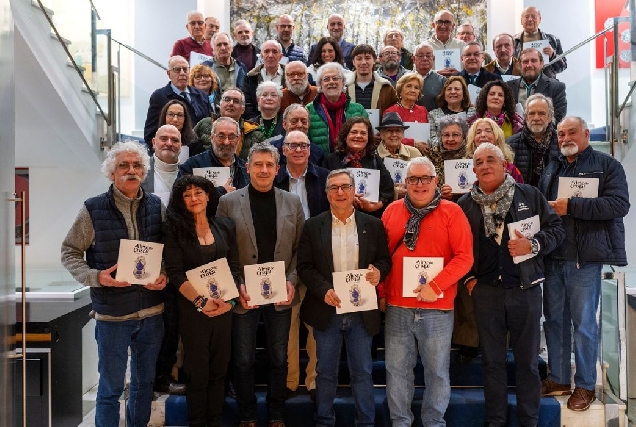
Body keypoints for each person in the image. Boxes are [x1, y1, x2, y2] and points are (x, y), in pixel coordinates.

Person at [458, 142, 564, 426]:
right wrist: (469, 278)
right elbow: (456, 247)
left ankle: (529, 420)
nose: (485, 166)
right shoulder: (464, 205)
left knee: (527, 362)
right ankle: (496, 420)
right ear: (473, 170)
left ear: (504, 165)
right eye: (479, 162)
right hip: (486, 293)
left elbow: (556, 229)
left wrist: (534, 244)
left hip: (525, 290)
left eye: (490, 160)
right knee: (492, 362)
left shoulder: (529, 194)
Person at [61, 141, 166, 427]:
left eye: (137, 165)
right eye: (124, 165)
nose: (131, 170)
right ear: (112, 172)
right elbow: (70, 252)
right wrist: (96, 277)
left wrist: (164, 275)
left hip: (152, 313)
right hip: (112, 317)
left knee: (144, 385)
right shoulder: (93, 209)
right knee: (110, 387)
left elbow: (167, 251)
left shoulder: (156, 205)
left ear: (144, 171)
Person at [538, 117, 630, 411]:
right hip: (553, 256)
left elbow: (619, 205)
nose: (565, 138)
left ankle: (586, 385)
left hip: (585, 259)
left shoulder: (607, 165)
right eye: (561, 134)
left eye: (572, 132)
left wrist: (572, 206)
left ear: (587, 134)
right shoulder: (552, 167)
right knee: (554, 321)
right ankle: (558, 378)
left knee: (584, 324)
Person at [379, 156, 473, 426]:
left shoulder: (452, 212)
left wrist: (436, 285)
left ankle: (434, 422)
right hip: (398, 306)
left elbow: (465, 257)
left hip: (437, 308)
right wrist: (382, 293)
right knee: (396, 370)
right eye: (413, 179)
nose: (419, 184)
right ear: (405, 182)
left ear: (435, 181)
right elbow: (381, 256)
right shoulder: (391, 211)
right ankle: (400, 422)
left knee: (437, 372)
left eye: (425, 179)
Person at [216, 142, 305, 427]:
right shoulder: (228, 202)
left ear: (278, 169)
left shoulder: (293, 202)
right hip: (244, 292)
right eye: (258, 164)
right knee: (243, 359)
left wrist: (292, 281)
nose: (264, 170)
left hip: (282, 292)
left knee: (279, 358)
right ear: (248, 167)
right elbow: (222, 250)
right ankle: (248, 415)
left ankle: (277, 414)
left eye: (269, 165)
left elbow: (300, 249)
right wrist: (237, 284)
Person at [298, 168, 392, 426]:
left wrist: (378, 272)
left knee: (362, 372)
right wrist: (323, 290)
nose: (340, 192)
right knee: (325, 372)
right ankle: (324, 421)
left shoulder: (373, 225)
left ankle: (366, 422)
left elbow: (384, 260)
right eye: (334, 188)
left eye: (345, 187)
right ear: (326, 193)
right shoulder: (312, 225)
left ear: (354, 191)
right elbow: (304, 267)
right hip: (326, 309)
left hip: (362, 312)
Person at [163, 175, 240, 427]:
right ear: (181, 201)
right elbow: (175, 273)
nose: (193, 198)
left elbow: (234, 266)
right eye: (187, 195)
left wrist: (230, 302)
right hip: (193, 311)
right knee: (198, 374)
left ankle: (214, 421)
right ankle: (197, 423)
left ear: (208, 196)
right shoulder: (174, 230)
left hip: (224, 309)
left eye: (198, 193)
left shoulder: (226, 225)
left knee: (219, 372)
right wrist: (200, 301)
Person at [274, 130, 329, 400]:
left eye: (303, 145)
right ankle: (290, 379)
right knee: (288, 323)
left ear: (310, 149)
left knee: (316, 324)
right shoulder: (273, 176)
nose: (298, 150)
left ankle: (315, 381)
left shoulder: (324, 177)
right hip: (284, 260)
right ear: (283, 149)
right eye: (292, 145)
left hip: (318, 259)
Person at [322, 117, 394, 218]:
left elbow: (388, 191)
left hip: (369, 218)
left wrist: (374, 206)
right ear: (345, 136)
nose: (358, 136)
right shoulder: (330, 160)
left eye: (363, 133)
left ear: (368, 138)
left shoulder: (375, 160)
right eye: (354, 132)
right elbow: (322, 191)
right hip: (338, 217)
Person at [144, 56, 212, 150]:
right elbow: (150, 133)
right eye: (177, 70)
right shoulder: (159, 96)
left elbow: (210, 123)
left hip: (201, 152)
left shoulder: (201, 95)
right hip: (173, 150)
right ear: (169, 73)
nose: (182, 73)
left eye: (185, 69)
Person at [306, 62, 368, 154]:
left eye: (335, 78)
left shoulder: (358, 110)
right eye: (326, 79)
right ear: (320, 84)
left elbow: (367, 139)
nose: (331, 82)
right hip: (320, 161)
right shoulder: (309, 110)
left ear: (343, 82)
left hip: (352, 161)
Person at [180, 116, 250, 196]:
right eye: (221, 136)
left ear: (238, 139)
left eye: (232, 137)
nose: (226, 142)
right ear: (212, 137)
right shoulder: (193, 165)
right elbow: (180, 195)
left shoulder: (245, 169)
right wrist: (221, 191)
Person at [192, 88, 263, 160]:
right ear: (220, 105)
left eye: (236, 101)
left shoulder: (254, 133)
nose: (231, 103)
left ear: (243, 109)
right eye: (227, 99)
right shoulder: (204, 124)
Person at [506, 94, 559, 186]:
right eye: (531, 113)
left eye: (541, 113)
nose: (536, 118)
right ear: (525, 117)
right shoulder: (510, 144)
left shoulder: (561, 143)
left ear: (550, 117)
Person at [507, 48, 567, 124]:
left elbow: (558, 118)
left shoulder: (557, 87)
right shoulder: (508, 87)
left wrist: (536, 127)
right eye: (525, 61)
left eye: (533, 61)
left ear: (542, 63)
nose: (529, 65)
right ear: (519, 65)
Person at [375, 112, 421, 200]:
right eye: (389, 131)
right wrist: (394, 192)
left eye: (398, 131)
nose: (394, 135)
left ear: (403, 134)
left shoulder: (414, 153)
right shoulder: (374, 156)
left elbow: (423, 178)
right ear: (381, 134)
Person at [513, 6, 567, 79]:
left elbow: (563, 66)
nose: (530, 19)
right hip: (521, 84)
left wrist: (553, 55)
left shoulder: (553, 40)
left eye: (534, 16)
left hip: (546, 84)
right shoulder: (512, 42)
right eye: (526, 17)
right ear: (521, 20)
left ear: (540, 19)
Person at [346, 44, 398, 119]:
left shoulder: (386, 88)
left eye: (367, 58)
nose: (363, 62)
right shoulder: (344, 88)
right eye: (359, 59)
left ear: (374, 60)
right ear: (353, 62)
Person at [466, 117, 524, 183]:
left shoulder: (510, 169)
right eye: (478, 132)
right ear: (473, 140)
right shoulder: (465, 167)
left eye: (488, 131)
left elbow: (520, 188)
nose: (483, 135)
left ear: (497, 137)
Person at [428, 114, 470, 200]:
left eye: (455, 135)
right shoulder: (432, 155)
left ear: (463, 136)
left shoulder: (471, 155)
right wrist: (440, 193)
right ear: (440, 137)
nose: (450, 139)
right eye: (446, 135)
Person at [384, 73, 429, 153]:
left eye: (416, 88)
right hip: (398, 154)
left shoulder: (423, 110)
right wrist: (413, 143)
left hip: (422, 154)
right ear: (400, 89)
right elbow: (387, 137)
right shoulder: (391, 111)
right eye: (409, 86)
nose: (413, 90)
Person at [242, 40, 286, 119]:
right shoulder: (251, 77)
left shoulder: (289, 75)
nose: (270, 55)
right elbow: (247, 104)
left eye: (274, 52)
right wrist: (256, 122)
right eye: (266, 51)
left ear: (280, 56)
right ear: (261, 55)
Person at [427, 76, 476, 147]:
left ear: (464, 94)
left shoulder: (473, 113)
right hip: (442, 152)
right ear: (444, 95)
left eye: (457, 89)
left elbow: (475, 136)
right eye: (449, 89)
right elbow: (432, 139)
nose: (453, 92)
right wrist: (448, 142)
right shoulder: (433, 114)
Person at [426, 10, 466, 77]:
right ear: (433, 25)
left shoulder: (462, 46)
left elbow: (471, 71)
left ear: (453, 26)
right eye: (439, 22)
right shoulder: (424, 47)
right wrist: (436, 73)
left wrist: (459, 74)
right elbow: (417, 72)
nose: (443, 26)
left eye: (447, 23)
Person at [411, 42, 447, 113]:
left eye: (428, 56)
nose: (425, 58)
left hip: (434, 119)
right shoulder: (405, 79)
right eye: (420, 55)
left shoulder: (442, 81)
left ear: (433, 58)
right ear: (414, 59)